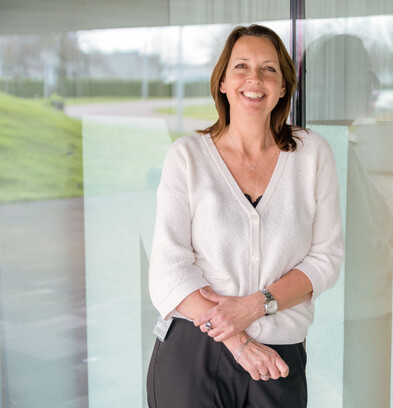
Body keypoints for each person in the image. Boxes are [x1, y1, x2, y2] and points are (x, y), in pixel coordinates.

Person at [146, 24, 344, 408]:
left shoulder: (313, 155)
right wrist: (238, 341)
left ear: (283, 87)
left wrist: (256, 305)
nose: (255, 78)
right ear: (222, 82)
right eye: (241, 66)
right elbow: (168, 272)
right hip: (193, 352)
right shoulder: (187, 157)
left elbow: (327, 258)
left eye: (269, 69)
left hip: (278, 360)